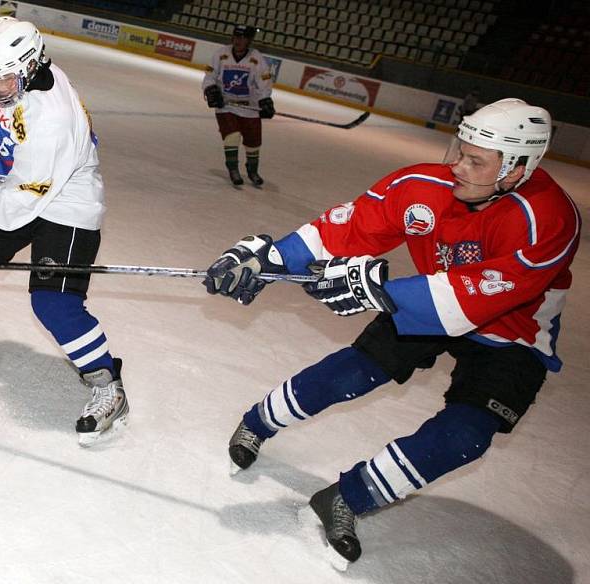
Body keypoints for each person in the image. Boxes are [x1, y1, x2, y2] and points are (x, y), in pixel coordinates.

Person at [203, 98, 580, 570]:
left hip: (512, 332)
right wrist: (269, 261)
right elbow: (342, 232)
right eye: (458, 151)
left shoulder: (547, 218)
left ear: (519, 169)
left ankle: (347, 497)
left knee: (467, 434)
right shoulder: (423, 184)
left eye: (475, 161)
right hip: (430, 298)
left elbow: (472, 303)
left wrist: (374, 289)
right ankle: (257, 422)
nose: (457, 166)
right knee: (352, 373)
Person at [0, 16, 128, 447]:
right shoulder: (2, 72)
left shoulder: (52, 117)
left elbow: (21, 201)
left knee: (53, 303)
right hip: (25, 188)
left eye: (3, 82)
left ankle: (108, 385)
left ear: (31, 68)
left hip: (67, 203)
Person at [201, 24, 274, 187]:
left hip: (250, 107)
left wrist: (265, 100)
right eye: (236, 37)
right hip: (226, 105)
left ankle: (252, 170)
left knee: (253, 143)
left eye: (242, 38)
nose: (238, 41)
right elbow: (209, 76)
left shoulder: (257, 58)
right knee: (231, 136)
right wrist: (211, 89)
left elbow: (264, 81)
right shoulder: (221, 54)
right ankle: (233, 169)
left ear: (249, 40)